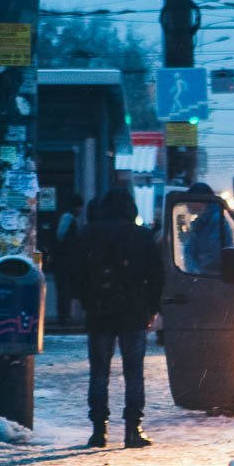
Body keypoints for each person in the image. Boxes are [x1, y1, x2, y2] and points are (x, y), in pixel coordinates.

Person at [71, 188, 164, 449]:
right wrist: (153, 308)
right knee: (133, 372)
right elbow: (156, 275)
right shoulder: (141, 236)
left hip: (99, 313)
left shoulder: (88, 233)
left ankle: (98, 430)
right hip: (133, 313)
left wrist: (85, 300)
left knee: (99, 371)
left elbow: (74, 271)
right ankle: (133, 430)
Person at [52, 194, 84, 326]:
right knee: (65, 288)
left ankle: (64, 315)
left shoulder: (66, 217)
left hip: (62, 260)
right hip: (65, 260)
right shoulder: (68, 218)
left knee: (63, 288)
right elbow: (61, 236)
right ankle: (64, 316)